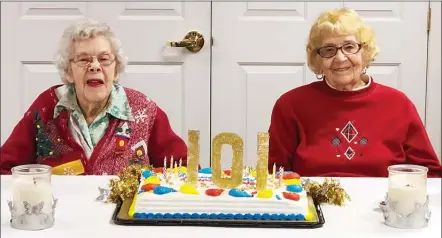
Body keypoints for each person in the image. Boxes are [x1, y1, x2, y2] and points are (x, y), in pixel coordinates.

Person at [268, 8, 441, 178]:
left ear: (365, 52)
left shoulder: (398, 104)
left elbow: (430, 173)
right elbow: (274, 173)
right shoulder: (291, 105)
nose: (340, 58)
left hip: (382, 204)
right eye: (328, 50)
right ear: (317, 59)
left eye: (349, 47)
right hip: (314, 204)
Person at [0, 20, 188, 175]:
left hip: (123, 213)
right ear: (69, 72)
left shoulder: (143, 110)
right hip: (62, 214)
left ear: (116, 70)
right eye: (83, 60)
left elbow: (183, 169)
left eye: (104, 59)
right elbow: (5, 168)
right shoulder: (46, 108)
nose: (95, 66)